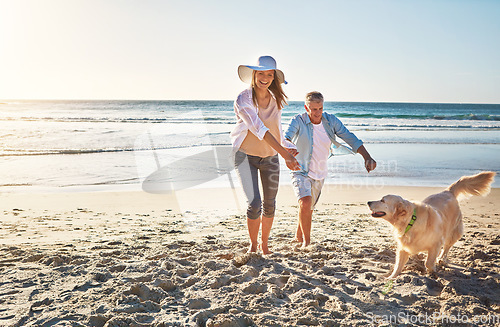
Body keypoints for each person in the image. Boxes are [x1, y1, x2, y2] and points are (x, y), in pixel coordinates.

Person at [285, 91, 376, 248]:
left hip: (319, 172)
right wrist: (288, 154)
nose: (317, 113)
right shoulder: (298, 120)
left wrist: (366, 156)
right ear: (306, 107)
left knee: (308, 207)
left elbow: (349, 137)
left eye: (320, 108)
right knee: (305, 203)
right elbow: (286, 137)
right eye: (313, 109)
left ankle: (299, 236)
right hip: (300, 169)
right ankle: (307, 243)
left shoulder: (330, 120)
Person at [231, 55, 300, 255]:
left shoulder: (276, 99)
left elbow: (275, 129)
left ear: (273, 78)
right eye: (261, 73)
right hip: (245, 157)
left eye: (269, 74)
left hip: (270, 157)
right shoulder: (243, 98)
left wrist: (287, 147)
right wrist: (285, 155)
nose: (265, 78)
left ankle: (265, 244)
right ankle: (253, 244)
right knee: (254, 204)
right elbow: (258, 128)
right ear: (254, 74)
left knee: (269, 204)